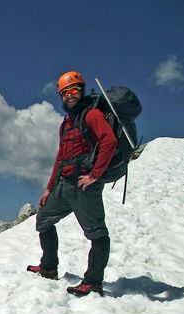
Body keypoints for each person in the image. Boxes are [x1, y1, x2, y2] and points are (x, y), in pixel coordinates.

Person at [27, 71, 117, 296]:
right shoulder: (66, 123)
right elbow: (61, 157)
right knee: (43, 219)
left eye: (74, 90)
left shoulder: (92, 115)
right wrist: (49, 187)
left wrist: (94, 175)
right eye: (65, 92)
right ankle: (48, 267)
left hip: (85, 186)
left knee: (97, 233)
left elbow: (109, 141)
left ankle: (93, 281)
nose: (70, 95)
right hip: (64, 185)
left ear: (82, 90)